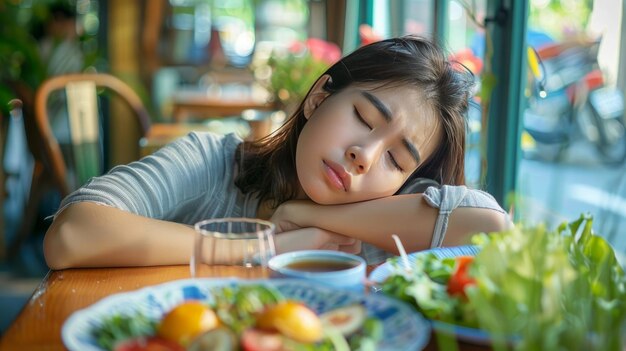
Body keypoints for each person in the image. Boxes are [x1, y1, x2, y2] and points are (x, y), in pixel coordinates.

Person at [43, 36, 510, 269]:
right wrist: (267, 245)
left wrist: (309, 215)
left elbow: (489, 224)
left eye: (396, 160)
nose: (364, 155)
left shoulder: (387, 220)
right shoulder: (213, 162)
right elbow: (71, 235)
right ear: (319, 97)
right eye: (365, 119)